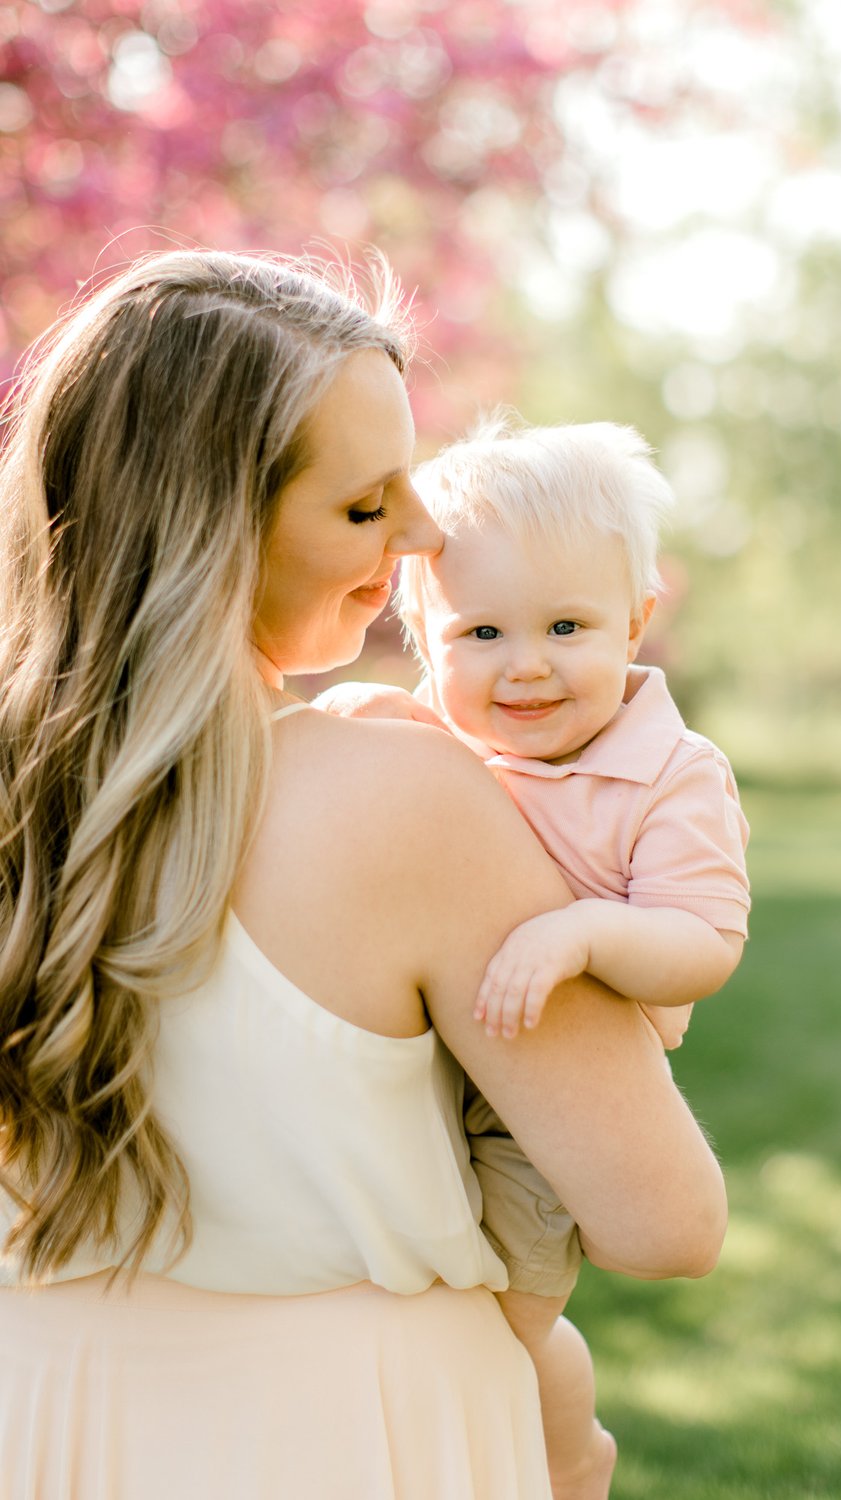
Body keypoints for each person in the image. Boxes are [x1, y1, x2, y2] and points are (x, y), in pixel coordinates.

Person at [0, 250, 728, 1500]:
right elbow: (667, 1223)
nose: (426, 534)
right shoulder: (399, 798)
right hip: (349, 1441)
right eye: (365, 505)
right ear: (213, 526)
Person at [321, 414, 750, 1498]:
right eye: (482, 635)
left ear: (636, 622)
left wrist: (582, 934)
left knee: (491, 1329)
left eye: (566, 627)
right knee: (389, 1289)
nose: (526, 669)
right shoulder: (437, 739)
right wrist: (353, 716)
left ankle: (562, 1459)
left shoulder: (670, 774)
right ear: (424, 632)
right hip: (417, 1065)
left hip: (539, 1106)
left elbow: (702, 943)